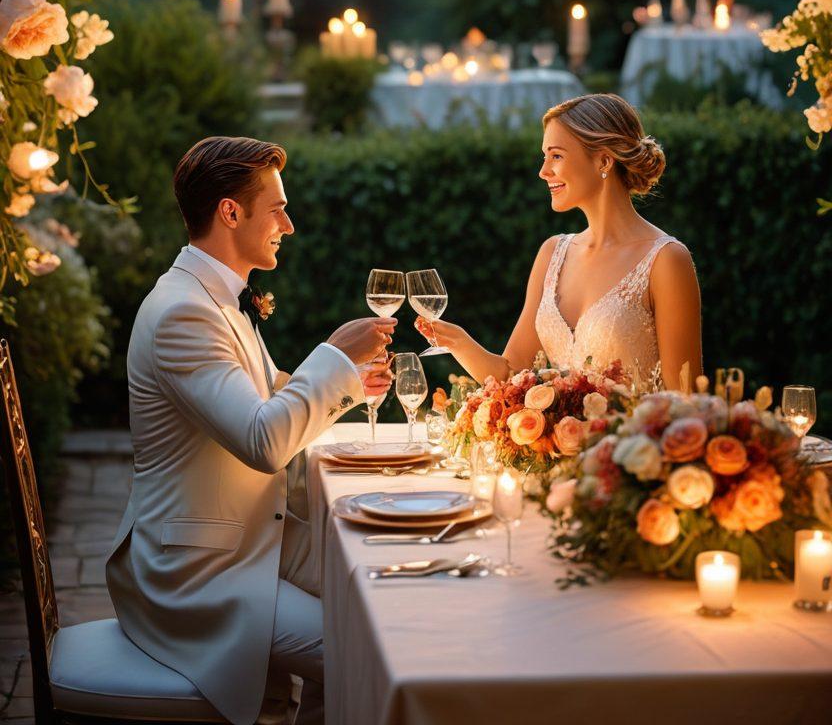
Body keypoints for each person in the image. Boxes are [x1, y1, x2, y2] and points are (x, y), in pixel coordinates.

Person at [106, 136, 394, 725]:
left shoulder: (213, 296)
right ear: (231, 213)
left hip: (253, 537)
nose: (289, 225)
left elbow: (262, 394)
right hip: (201, 569)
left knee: (385, 588)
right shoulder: (183, 313)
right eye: (278, 209)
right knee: (373, 649)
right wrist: (335, 356)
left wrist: (349, 383)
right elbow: (264, 442)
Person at [415, 94, 702, 391]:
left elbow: (686, 398)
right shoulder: (553, 254)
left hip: (638, 424)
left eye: (556, 156)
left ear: (604, 160)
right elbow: (511, 374)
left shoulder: (666, 260)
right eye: (545, 156)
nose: (543, 171)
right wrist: (458, 342)